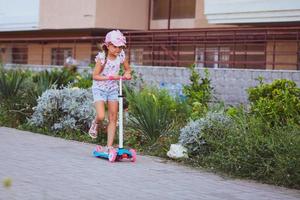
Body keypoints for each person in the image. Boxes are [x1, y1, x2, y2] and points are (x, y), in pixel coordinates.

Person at [89, 30, 132, 152]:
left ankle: (109, 146)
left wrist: (127, 74)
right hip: (99, 88)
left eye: (120, 47)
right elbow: (95, 76)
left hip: (113, 88)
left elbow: (128, 69)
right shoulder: (102, 58)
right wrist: (110, 77)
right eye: (115, 46)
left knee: (113, 118)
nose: (118, 50)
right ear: (107, 45)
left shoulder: (122, 56)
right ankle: (95, 123)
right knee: (102, 116)